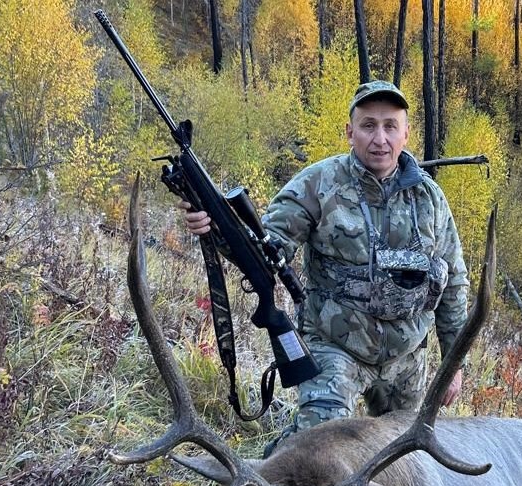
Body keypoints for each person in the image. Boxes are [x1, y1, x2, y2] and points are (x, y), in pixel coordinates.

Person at [183, 80, 469, 441]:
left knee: (405, 457)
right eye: (368, 126)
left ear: (406, 133)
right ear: (350, 132)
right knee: (320, 450)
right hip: (335, 347)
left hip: (407, 356)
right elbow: (264, 250)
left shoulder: (430, 198)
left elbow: (453, 280)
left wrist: (454, 362)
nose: (380, 138)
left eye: (390, 126)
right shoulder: (317, 184)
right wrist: (217, 230)